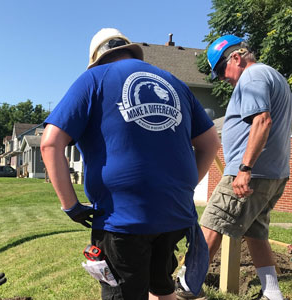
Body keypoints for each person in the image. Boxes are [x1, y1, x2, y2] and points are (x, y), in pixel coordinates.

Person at [40, 28, 220, 300]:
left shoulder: (93, 79)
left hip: (122, 220)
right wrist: (182, 188)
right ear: (130, 50)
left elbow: (50, 143)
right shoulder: (174, 82)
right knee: (160, 285)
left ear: (97, 58)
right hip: (174, 216)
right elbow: (210, 143)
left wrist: (71, 205)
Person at [177, 35, 292, 300]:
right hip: (273, 173)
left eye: (222, 71)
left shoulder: (253, 76)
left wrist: (245, 167)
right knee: (255, 232)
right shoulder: (275, 76)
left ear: (236, 57)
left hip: (250, 171)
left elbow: (262, 119)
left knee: (212, 222)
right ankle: (272, 294)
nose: (224, 79)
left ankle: (187, 286)